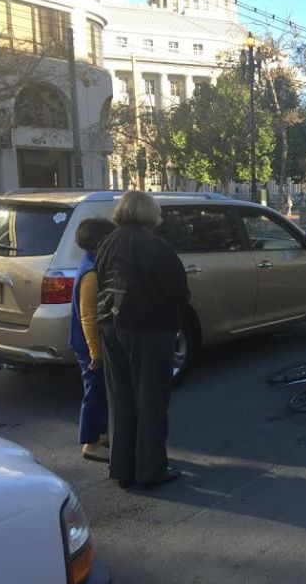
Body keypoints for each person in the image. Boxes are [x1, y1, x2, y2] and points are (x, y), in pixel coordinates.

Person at [96, 190, 191, 489]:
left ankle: (123, 468)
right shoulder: (155, 247)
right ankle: (151, 469)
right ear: (149, 214)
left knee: (121, 398)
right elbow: (179, 292)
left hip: (111, 325)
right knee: (150, 399)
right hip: (148, 328)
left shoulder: (107, 243)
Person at [70, 217, 116, 463]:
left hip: (90, 342)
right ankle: (89, 442)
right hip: (88, 344)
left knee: (100, 390)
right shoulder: (90, 273)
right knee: (93, 392)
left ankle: (101, 434)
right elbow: (88, 317)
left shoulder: (90, 263)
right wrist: (95, 353)